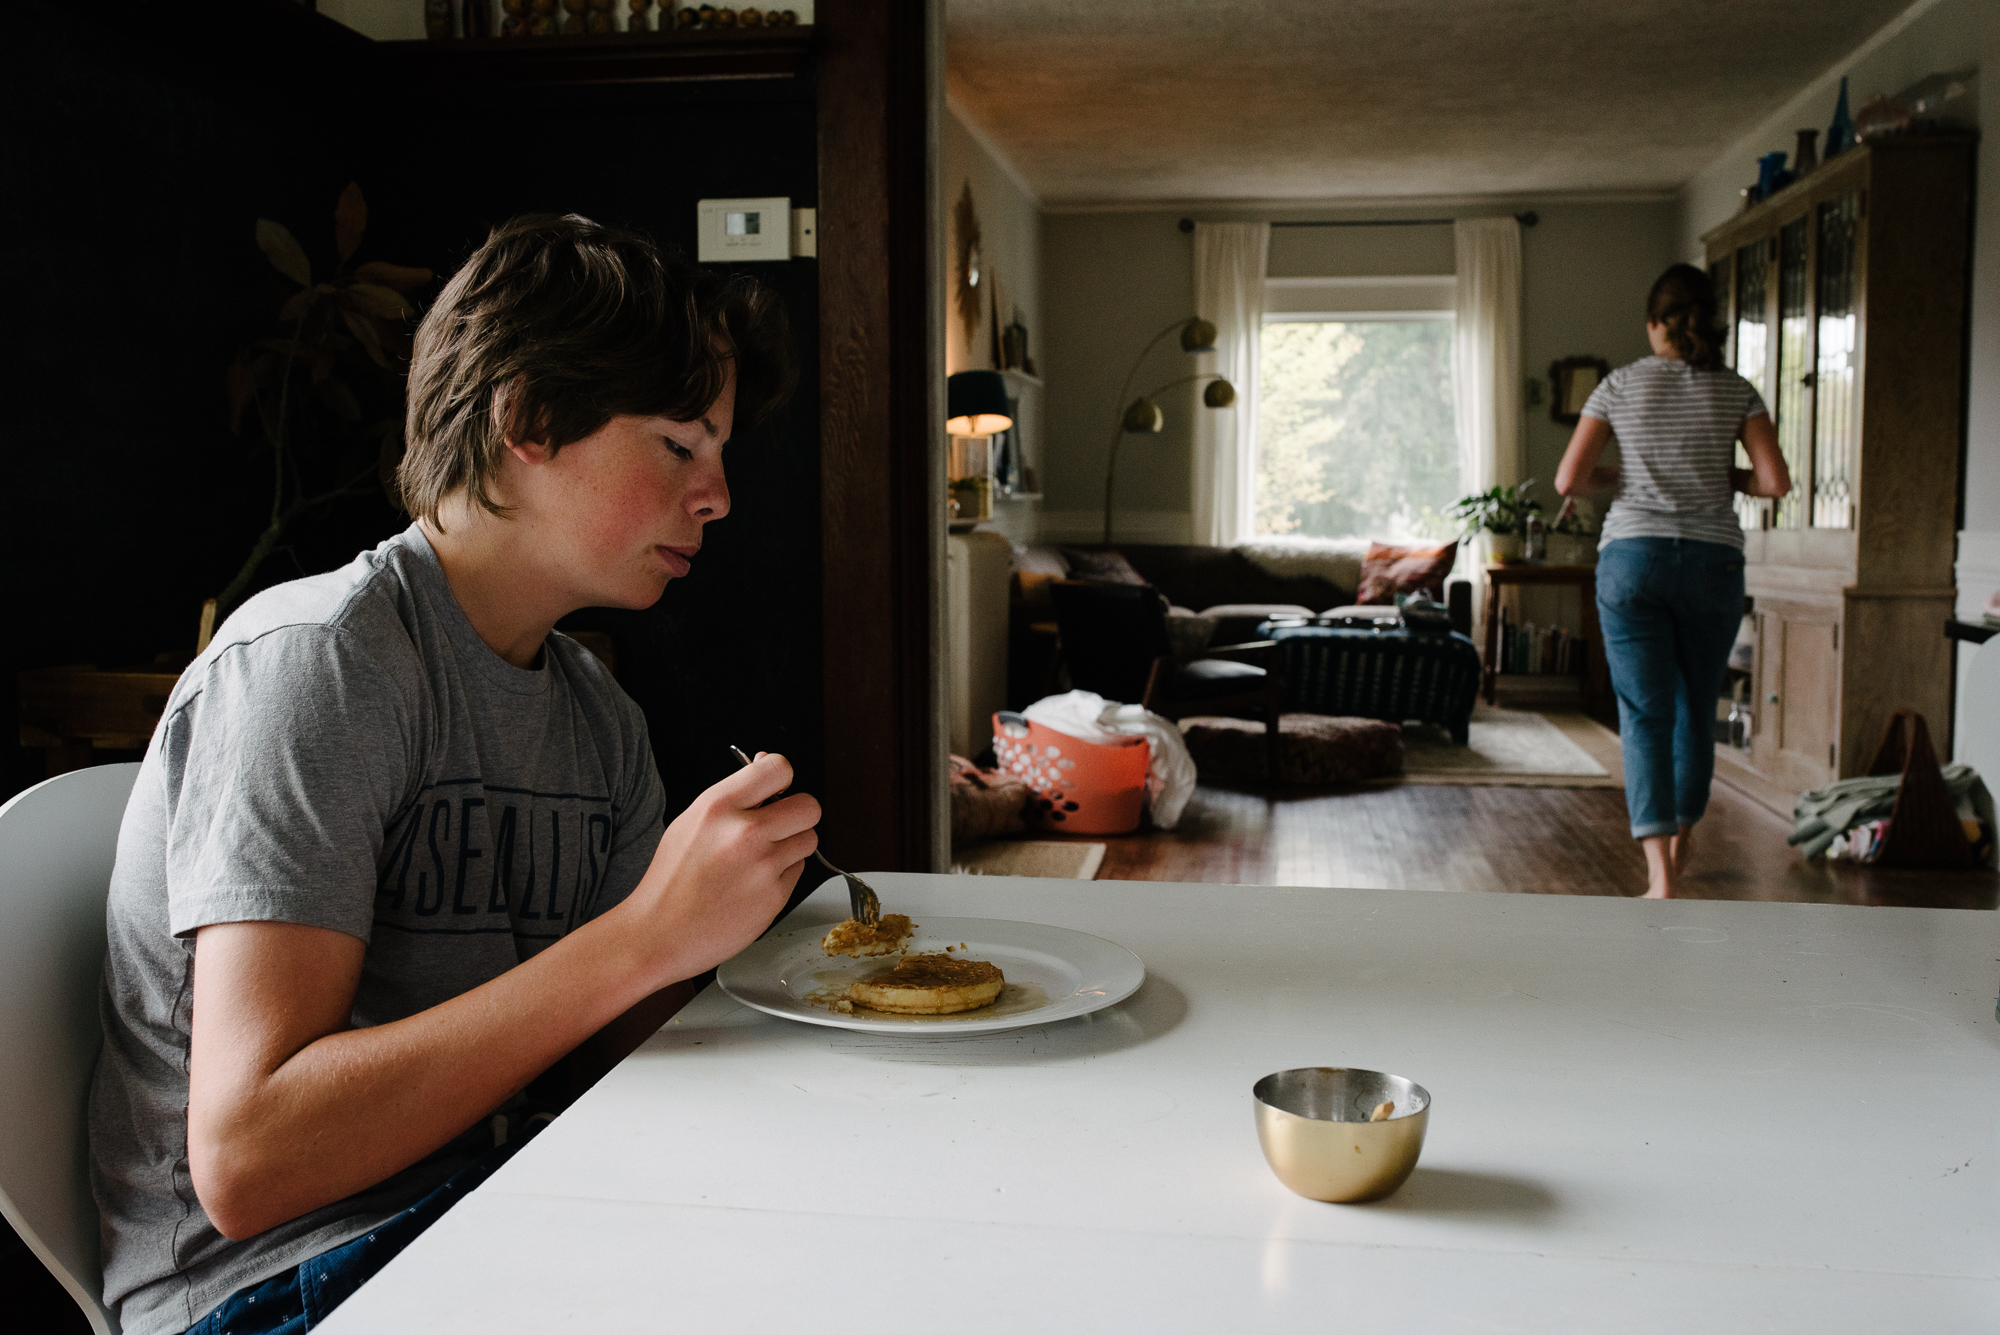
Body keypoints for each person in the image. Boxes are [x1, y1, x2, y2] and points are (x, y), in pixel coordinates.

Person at [88, 214, 818, 1335]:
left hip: (495, 1206)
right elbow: (249, 1160)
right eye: (679, 445)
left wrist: (754, 956)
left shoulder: (594, 714)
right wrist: (645, 939)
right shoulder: (319, 667)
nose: (718, 495)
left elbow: (628, 1054)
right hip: (270, 1287)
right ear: (526, 418)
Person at [1554, 263, 1789, 898]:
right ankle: (1683, 845)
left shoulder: (1618, 385)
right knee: (1695, 709)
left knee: (1644, 713)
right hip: (1712, 564)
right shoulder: (1737, 389)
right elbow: (1774, 482)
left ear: (1655, 324)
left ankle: (1659, 878)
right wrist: (1724, 479)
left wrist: (1620, 479)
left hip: (1634, 559)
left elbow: (1569, 480)